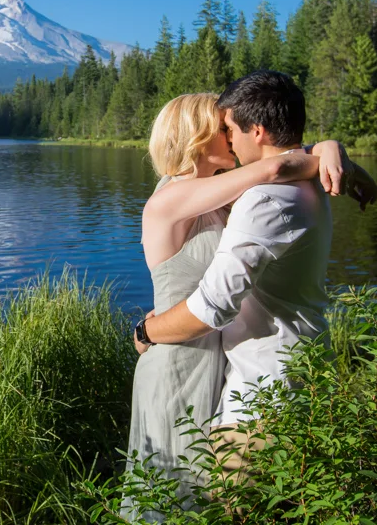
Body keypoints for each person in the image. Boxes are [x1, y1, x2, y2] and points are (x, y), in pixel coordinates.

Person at [122, 91, 357, 517]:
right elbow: (275, 164)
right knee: (170, 498)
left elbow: (279, 162)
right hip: (178, 361)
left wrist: (329, 149)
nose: (232, 137)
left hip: (218, 365)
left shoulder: (221, 197)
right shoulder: (169, 200)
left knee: (204, 498)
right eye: (224, 128)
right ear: (197, 138)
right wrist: (329, 151)